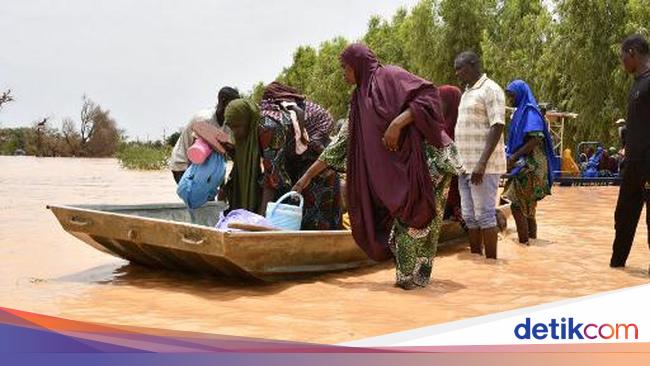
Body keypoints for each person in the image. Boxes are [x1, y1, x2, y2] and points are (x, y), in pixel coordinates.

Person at [293, 43, 462, 290]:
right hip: (400, 170)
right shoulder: (358, 101)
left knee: (417, 221)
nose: (343, 73)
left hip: (432, 161)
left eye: (345, 68)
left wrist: (397, 123)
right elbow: (340, 145)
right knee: (409, 221)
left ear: (359, 65)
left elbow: (428, 96)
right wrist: (304, 179)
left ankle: (410, 283)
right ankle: (412, 282)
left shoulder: (390, 76)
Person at [223, 98, 342, 230]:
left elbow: (273, 178)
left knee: (313, 222)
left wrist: (259, 221)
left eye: (237, 126)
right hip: (296, 166)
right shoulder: (253, 130)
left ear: (248, 120)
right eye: (231, 127)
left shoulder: (268, 127)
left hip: (315, 167)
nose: (235, 132)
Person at [453, 51, 507, 259]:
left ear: (474, 65)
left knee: (484, 215)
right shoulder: (466, 92)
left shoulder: (491, 89)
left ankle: (491, 262)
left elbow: (497, 125)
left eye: (461, 68)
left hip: (484, 166)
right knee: (469, 216)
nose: (458, 73)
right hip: (464, 166)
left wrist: (481, 164)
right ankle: (477, 259)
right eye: (456, 69)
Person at [610, 34, 650, 268]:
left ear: (632, 52)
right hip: (632, 166)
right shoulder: (637, 84)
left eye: (623, 56)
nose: (622, 61)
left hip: (649, 165)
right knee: (623, 218)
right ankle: (616, 268)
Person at [503, 80, 556, 245]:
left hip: (530, 166)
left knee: (516, 206)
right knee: (529, 209)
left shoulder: (530, 112)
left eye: (512, 95)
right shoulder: (522, 112)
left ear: (520, 94)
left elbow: (535, 139)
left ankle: (524, 243)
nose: (510, 99)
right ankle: (530, 244)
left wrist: (513, 157)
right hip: (527, 165)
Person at [169, 87, 240, 183]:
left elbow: (223, 151)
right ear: (223, 102)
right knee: (195, 196)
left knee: (208, 197)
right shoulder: (204, 120)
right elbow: (196, 152)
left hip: (205, 167)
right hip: (183, 164)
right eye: (233, 105)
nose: (236, 109)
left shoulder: (228, 124)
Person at [438, 85, 465, 225]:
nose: (438, 105)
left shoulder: (462, 128)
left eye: (442, 102)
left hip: (456, 188)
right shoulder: (439, 126)